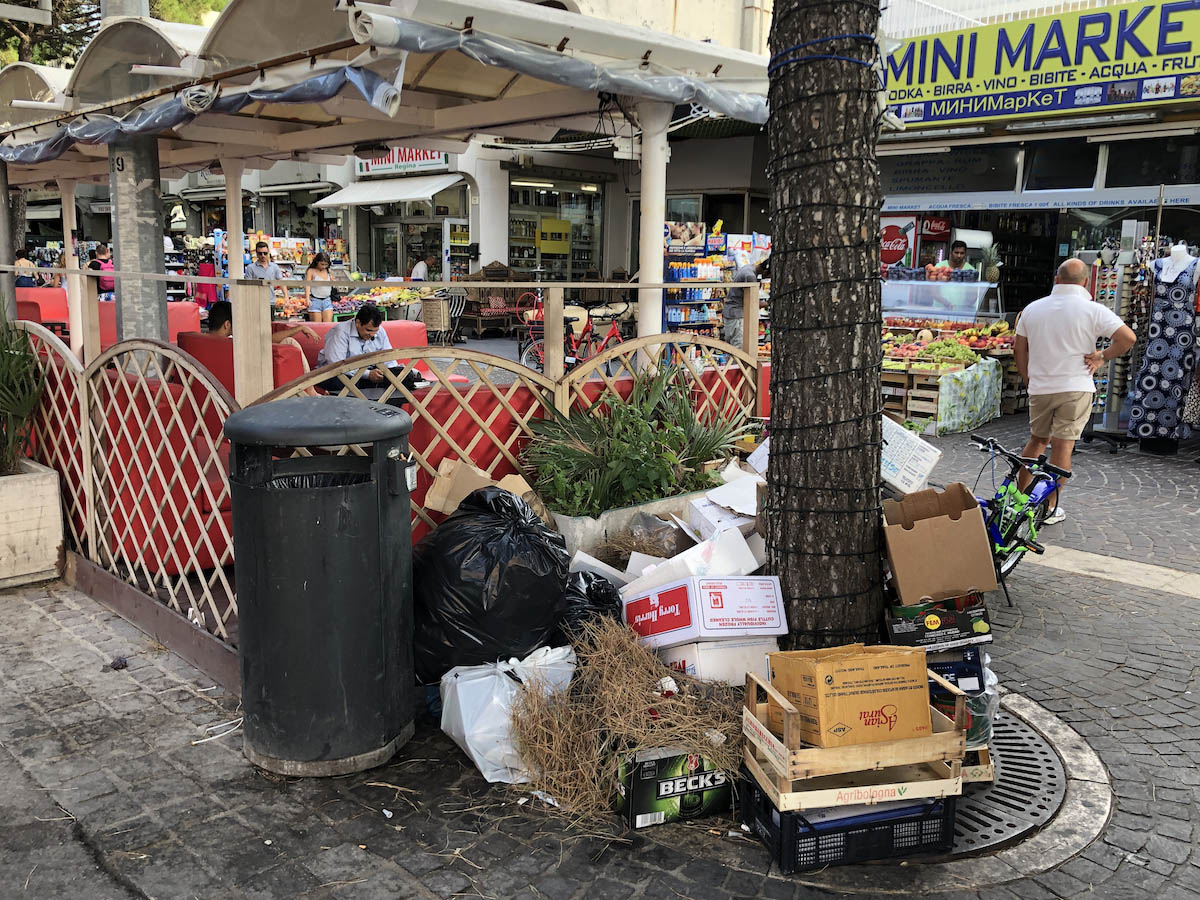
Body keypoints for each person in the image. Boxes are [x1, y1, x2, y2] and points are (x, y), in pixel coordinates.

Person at [1014, 257, 1136, 523]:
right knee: (1063, 447)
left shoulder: (1032, 309)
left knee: (1036, 440)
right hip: (1076, 387)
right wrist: (1102, 356)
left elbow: (1019, 348)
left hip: (1041, 386)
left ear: (1057, 279)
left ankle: (1018, 498)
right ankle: (1049, 508)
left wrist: (1027, 378)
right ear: (1085, 281)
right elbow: (1128, 338)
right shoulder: (1093, 310)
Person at [316, 303, 392, 380]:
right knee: (349, 382)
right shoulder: (340, 332)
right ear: (358, 323)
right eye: (368, 330)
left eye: (375, 331)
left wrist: (393, 373)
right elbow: (336, 365)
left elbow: (388, 358)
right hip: (334, 374)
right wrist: (367, 374)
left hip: (366, 371)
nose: (372, 334)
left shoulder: (380, 331)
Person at [205, 301, 318, 344]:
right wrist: (298, 328)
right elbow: (268, 340)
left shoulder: (195, 341)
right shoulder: (233, 344)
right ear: (227, 324)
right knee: (289, 342)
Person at [723, 255, 768, 350]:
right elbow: (753, 302)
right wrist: (770, 303)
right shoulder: (750, 276)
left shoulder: (748, 268)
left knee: (732, 347)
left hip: (731, 313)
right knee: (738, 347)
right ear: (765, 271)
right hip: (737, 316)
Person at [304, 252, 335, 323]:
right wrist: (307, 298)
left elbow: (333, 283)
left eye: (326, 265)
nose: (324, 266)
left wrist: (332, 280)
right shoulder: (311, 271)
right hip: (315, 300)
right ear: (317, 262)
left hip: (327, 300)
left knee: (327, 326)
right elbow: (307, 285)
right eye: (322, 264)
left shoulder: (328, 271)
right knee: (317, 326)